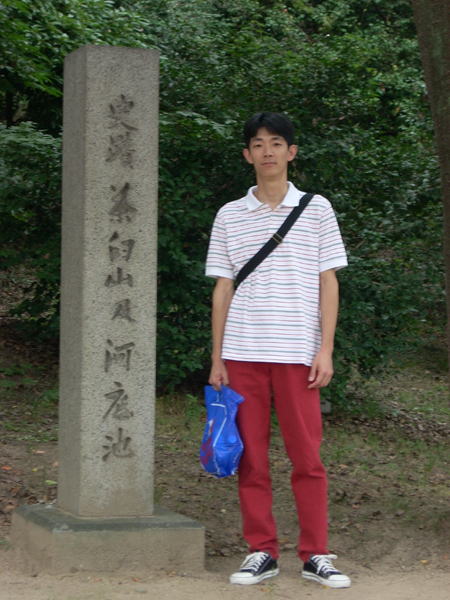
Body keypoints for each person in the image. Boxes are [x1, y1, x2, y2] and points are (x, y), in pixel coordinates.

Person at [205, 112, 351, 588]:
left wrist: (325, 349)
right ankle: (261, 551)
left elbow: (328, 282)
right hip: (243, 352)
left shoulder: (317, 209)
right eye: (258, 144)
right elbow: (223, 288)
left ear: (291, 151)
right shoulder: (229, 214)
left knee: (307, 458)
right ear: (247, 155)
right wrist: (217, 357)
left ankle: (316, 554)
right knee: (251, 458)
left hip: (297, 353)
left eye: (275, 143)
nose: (267, 151)